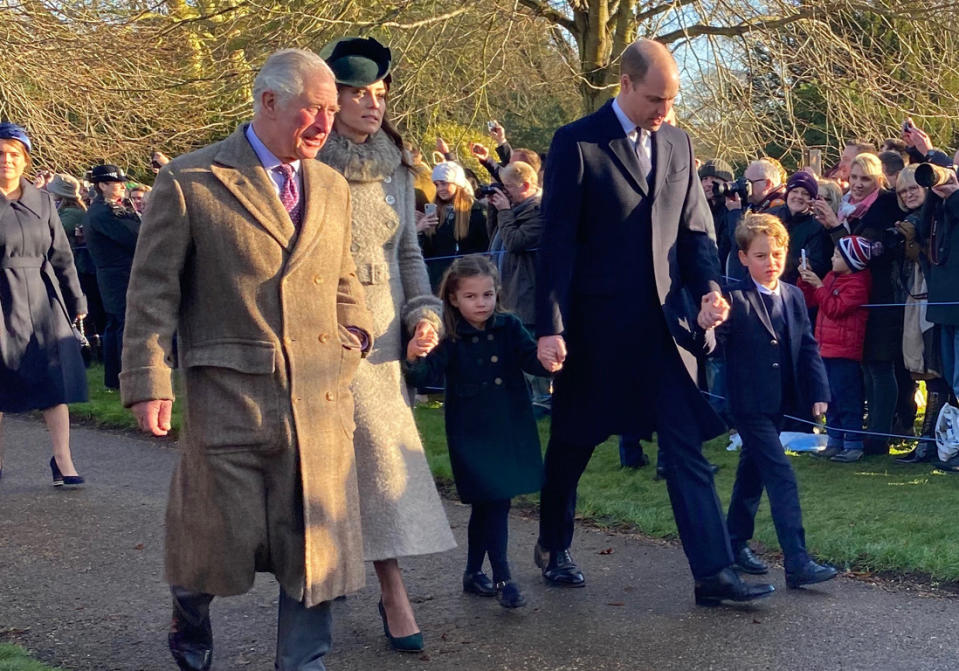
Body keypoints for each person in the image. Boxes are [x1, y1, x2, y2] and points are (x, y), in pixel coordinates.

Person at [119, 49, 374, 671]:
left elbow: (343, 279)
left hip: (318, 397)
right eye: (313, 111)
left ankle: (302, 664)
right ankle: (190, 612)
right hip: (230, 399)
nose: (324, 125)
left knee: (315, 549)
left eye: (330, 112)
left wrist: (356, 335)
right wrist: (149, 380)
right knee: (214, 543)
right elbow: (153, 292)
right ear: (267, 103)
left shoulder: (331, 186)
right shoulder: (191, 181)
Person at [534, 39, 774, 605]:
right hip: (595, 333)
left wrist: (711, 291)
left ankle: (713, 575)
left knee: (685, 445)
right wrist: (550, 324)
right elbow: (557, 244)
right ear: (624, 83)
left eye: (671, 100)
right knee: (573, 442)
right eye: (654, 98)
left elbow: (695, 233)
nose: (663, 110)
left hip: (666, 331)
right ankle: (553, 541)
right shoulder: (577, 143)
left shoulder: (677, 141)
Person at [317, 35, 456, 653]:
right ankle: (318, 581)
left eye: (379, 93)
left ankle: (393, 592)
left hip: (380, 338)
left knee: (378, 463)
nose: (372, 104)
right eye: (357, 93)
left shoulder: (399, 164)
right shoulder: (307, 159)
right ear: (331, 97)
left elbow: (408, 253)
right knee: (319, 468)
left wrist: (424, 316)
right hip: (317, 328)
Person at [405, 255, 548, 609]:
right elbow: (426, 377)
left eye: (487, 294)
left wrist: (550, 358)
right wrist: (414, 357)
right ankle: (503, 578)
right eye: (471, 296)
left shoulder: (509, 326)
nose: (481, 303)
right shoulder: (449, 337)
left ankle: (472, 573)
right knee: (494, 503)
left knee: (489, 506)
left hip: (509, 428)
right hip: (471, 433)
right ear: (453, 298)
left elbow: (531, 359)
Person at [722, 213, 837, 587]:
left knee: (751, 474)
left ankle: (732, 544)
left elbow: (807, 347)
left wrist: (818, 391)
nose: (770, 262)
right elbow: (715, 347)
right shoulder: (734, 298)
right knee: (780, 475)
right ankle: (797, 562)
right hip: (748, 403)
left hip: (780, 402)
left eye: (776, 254)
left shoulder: (791, 296)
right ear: (743, 258)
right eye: (760, 256)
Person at [0, 123, 87, 485]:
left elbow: (62, 255)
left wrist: (76, 300)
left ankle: (63, 461)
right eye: (0, 154)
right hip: (1, 297)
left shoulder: (44, 202)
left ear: (25, 161)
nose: (6, 160)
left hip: (41, 297)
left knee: (54, 381)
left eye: (13, 155)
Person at [813, 153, 903, 454]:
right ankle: (856, 433)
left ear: (878, 180)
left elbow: (860, 255)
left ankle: (878, 437)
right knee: (861, 369)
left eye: (865, 179)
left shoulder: (884, 208)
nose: (858, 184)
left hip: (878, 296)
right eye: (854, 178)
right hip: (852, 296)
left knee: (880, 366)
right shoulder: (847, 208)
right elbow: (839, 253)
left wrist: (834, 225)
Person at [892, 165, 952, 463]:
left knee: (937, 371)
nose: (908, 193)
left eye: (914, 187)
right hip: (915, 297)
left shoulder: (940, 214)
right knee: (926, 371)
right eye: (902, 190)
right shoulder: (911, 219)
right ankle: (928, 441)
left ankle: (934, 441)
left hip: (936, 299)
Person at [799, 237, 874, 462]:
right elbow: (811, 300)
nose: (833, 258)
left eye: (838, 255)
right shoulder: (831, 277)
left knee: (847, 397)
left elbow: (834, 308)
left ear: (853, 260)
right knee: (829, 396)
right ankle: (834, 440)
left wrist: (819, 286)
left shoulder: (858, 283)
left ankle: (853, 443)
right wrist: (806, 280)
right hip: (825, 348)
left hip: (845, 351)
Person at [84, 164, 140, 390]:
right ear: (102, 185)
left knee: (116, 324)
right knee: (122, 325)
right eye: (117, 183)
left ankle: (115, 379)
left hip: (115, 274)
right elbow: (133, 237)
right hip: (118, 275)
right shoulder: (103, 212)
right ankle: (122, 377)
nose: (122, 187)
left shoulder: (105, 209)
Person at [47, 173, 106, 343]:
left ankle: (90, 345)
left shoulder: (72, 213)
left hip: (80, 267)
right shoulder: (64, 210)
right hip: (78, 266)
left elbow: (53, 229)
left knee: (88, 311)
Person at [918, 164, 959, 403]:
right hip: (944, 305)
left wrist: (954, 197)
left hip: (954, 302)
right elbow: (924, 231)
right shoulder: (945, 205)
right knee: (949, 377)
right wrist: (933, 196)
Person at [417, 161, 488, 290]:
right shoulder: (435, 212)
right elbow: (427, 251)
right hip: (438, 281)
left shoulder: (476, 211)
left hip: (467, 279)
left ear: (457, 183)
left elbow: (484, 247)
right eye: (437, 185)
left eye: (444, 183)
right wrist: (420, 231)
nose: (440, 189)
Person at [725, 158, 787, 280]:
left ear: (767, 184)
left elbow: (742, 242)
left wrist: (735, 213)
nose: (745, 187)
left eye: (749, 183)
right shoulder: (755, 206)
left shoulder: (779, 208)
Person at [767, 171, 833, 285]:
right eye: (794, 191)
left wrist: (806, 265)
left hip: (796, 287)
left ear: (812, 199)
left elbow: (820, 263)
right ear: (787, 193)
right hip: (767, 280)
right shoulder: (769, 217)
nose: (798, 196)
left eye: (805, 193)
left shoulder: (817, 226)